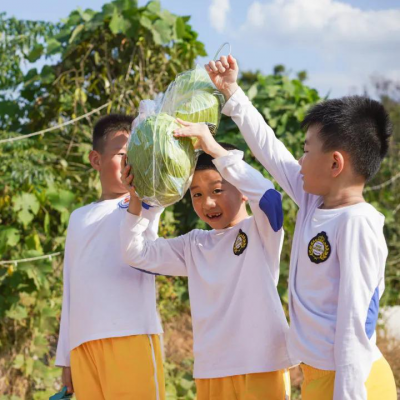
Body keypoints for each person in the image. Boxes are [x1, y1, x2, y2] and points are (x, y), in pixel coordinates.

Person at [205, 55, 397, 400]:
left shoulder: (358, 223)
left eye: (307, 151)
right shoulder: (314, 201)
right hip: (318, 378)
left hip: (353, 383)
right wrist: (232, 94)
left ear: (335, 163)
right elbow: (270, 151)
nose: (298, 160)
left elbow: (355, 325)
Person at [120, 120, 296, 400]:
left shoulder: (260, 230)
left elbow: (269, 198)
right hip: (212, 370)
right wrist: (142, 202)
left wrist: (213, 148)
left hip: (263, 364)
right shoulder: (194, 244)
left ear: (240, 188)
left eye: (217, 190)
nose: (208, 203)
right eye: (197, 194)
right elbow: (135, 253)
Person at [55, 114, 165, 400]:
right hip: (83, 346)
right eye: (122, 155)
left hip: (131, 335)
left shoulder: (146, 200)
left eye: (136, 155)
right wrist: (66, 356)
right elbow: (70, 290)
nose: (130, 162)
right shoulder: (77, 218)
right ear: (96, 160)